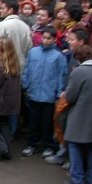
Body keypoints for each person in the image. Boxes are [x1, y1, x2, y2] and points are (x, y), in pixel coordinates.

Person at [21, 26, 67, 157]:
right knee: (33, 121)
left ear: (54, 39)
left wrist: (58, 94)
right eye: (44, 37)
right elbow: (27, 71)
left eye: (49, 38)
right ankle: (32, 144)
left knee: (47, 123)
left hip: (49, 95)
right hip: (34, 93)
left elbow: (61, 76)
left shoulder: (58, 57)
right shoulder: (33, 52)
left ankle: (48, 146)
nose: (45, 40)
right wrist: (26, 86)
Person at [63, 49, 92, 184]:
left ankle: (77, 179)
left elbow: (70, 97)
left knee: (74, 145)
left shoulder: (79, 72)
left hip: (79, 116)